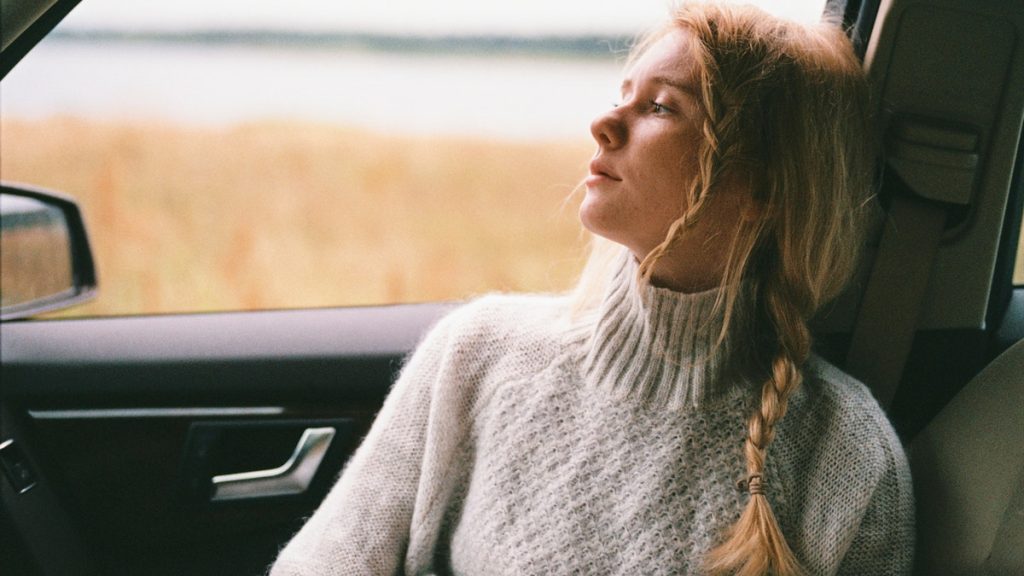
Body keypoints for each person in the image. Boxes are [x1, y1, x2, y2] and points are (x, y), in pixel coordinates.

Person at [270, 2, 914, 575]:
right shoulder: (479, 353)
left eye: (660, 106)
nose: (604, 124)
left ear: (765, 188)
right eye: (621, 94)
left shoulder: (846, 454)